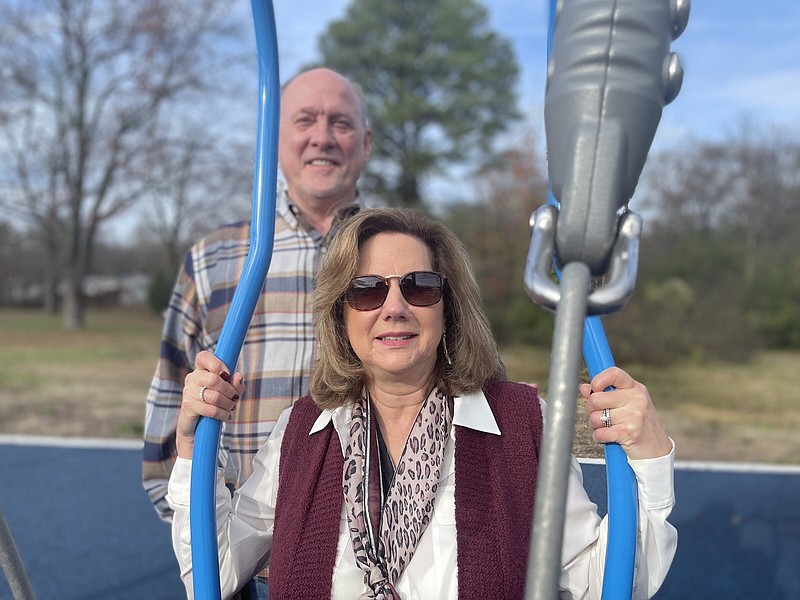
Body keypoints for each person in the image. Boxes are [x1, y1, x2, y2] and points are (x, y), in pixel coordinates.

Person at [167, 207, 677, 599]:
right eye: (366, 290)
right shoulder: (300, 433)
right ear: (340, 314)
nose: (394, 308)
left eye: (420, 286)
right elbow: (213, 571)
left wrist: (650, 460)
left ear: (446, 306)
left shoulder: (522, 425)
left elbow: (604, 583)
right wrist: (193, 448)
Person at [143, 68, 371, 597]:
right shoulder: (217, 260)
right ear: (275, 138)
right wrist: (204, 534)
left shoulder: (401, 259)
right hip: (247, 572)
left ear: (365, 142)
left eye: (340, 122)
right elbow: (169, 419)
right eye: (305, 120)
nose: (322, 136)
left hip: (367, 572)